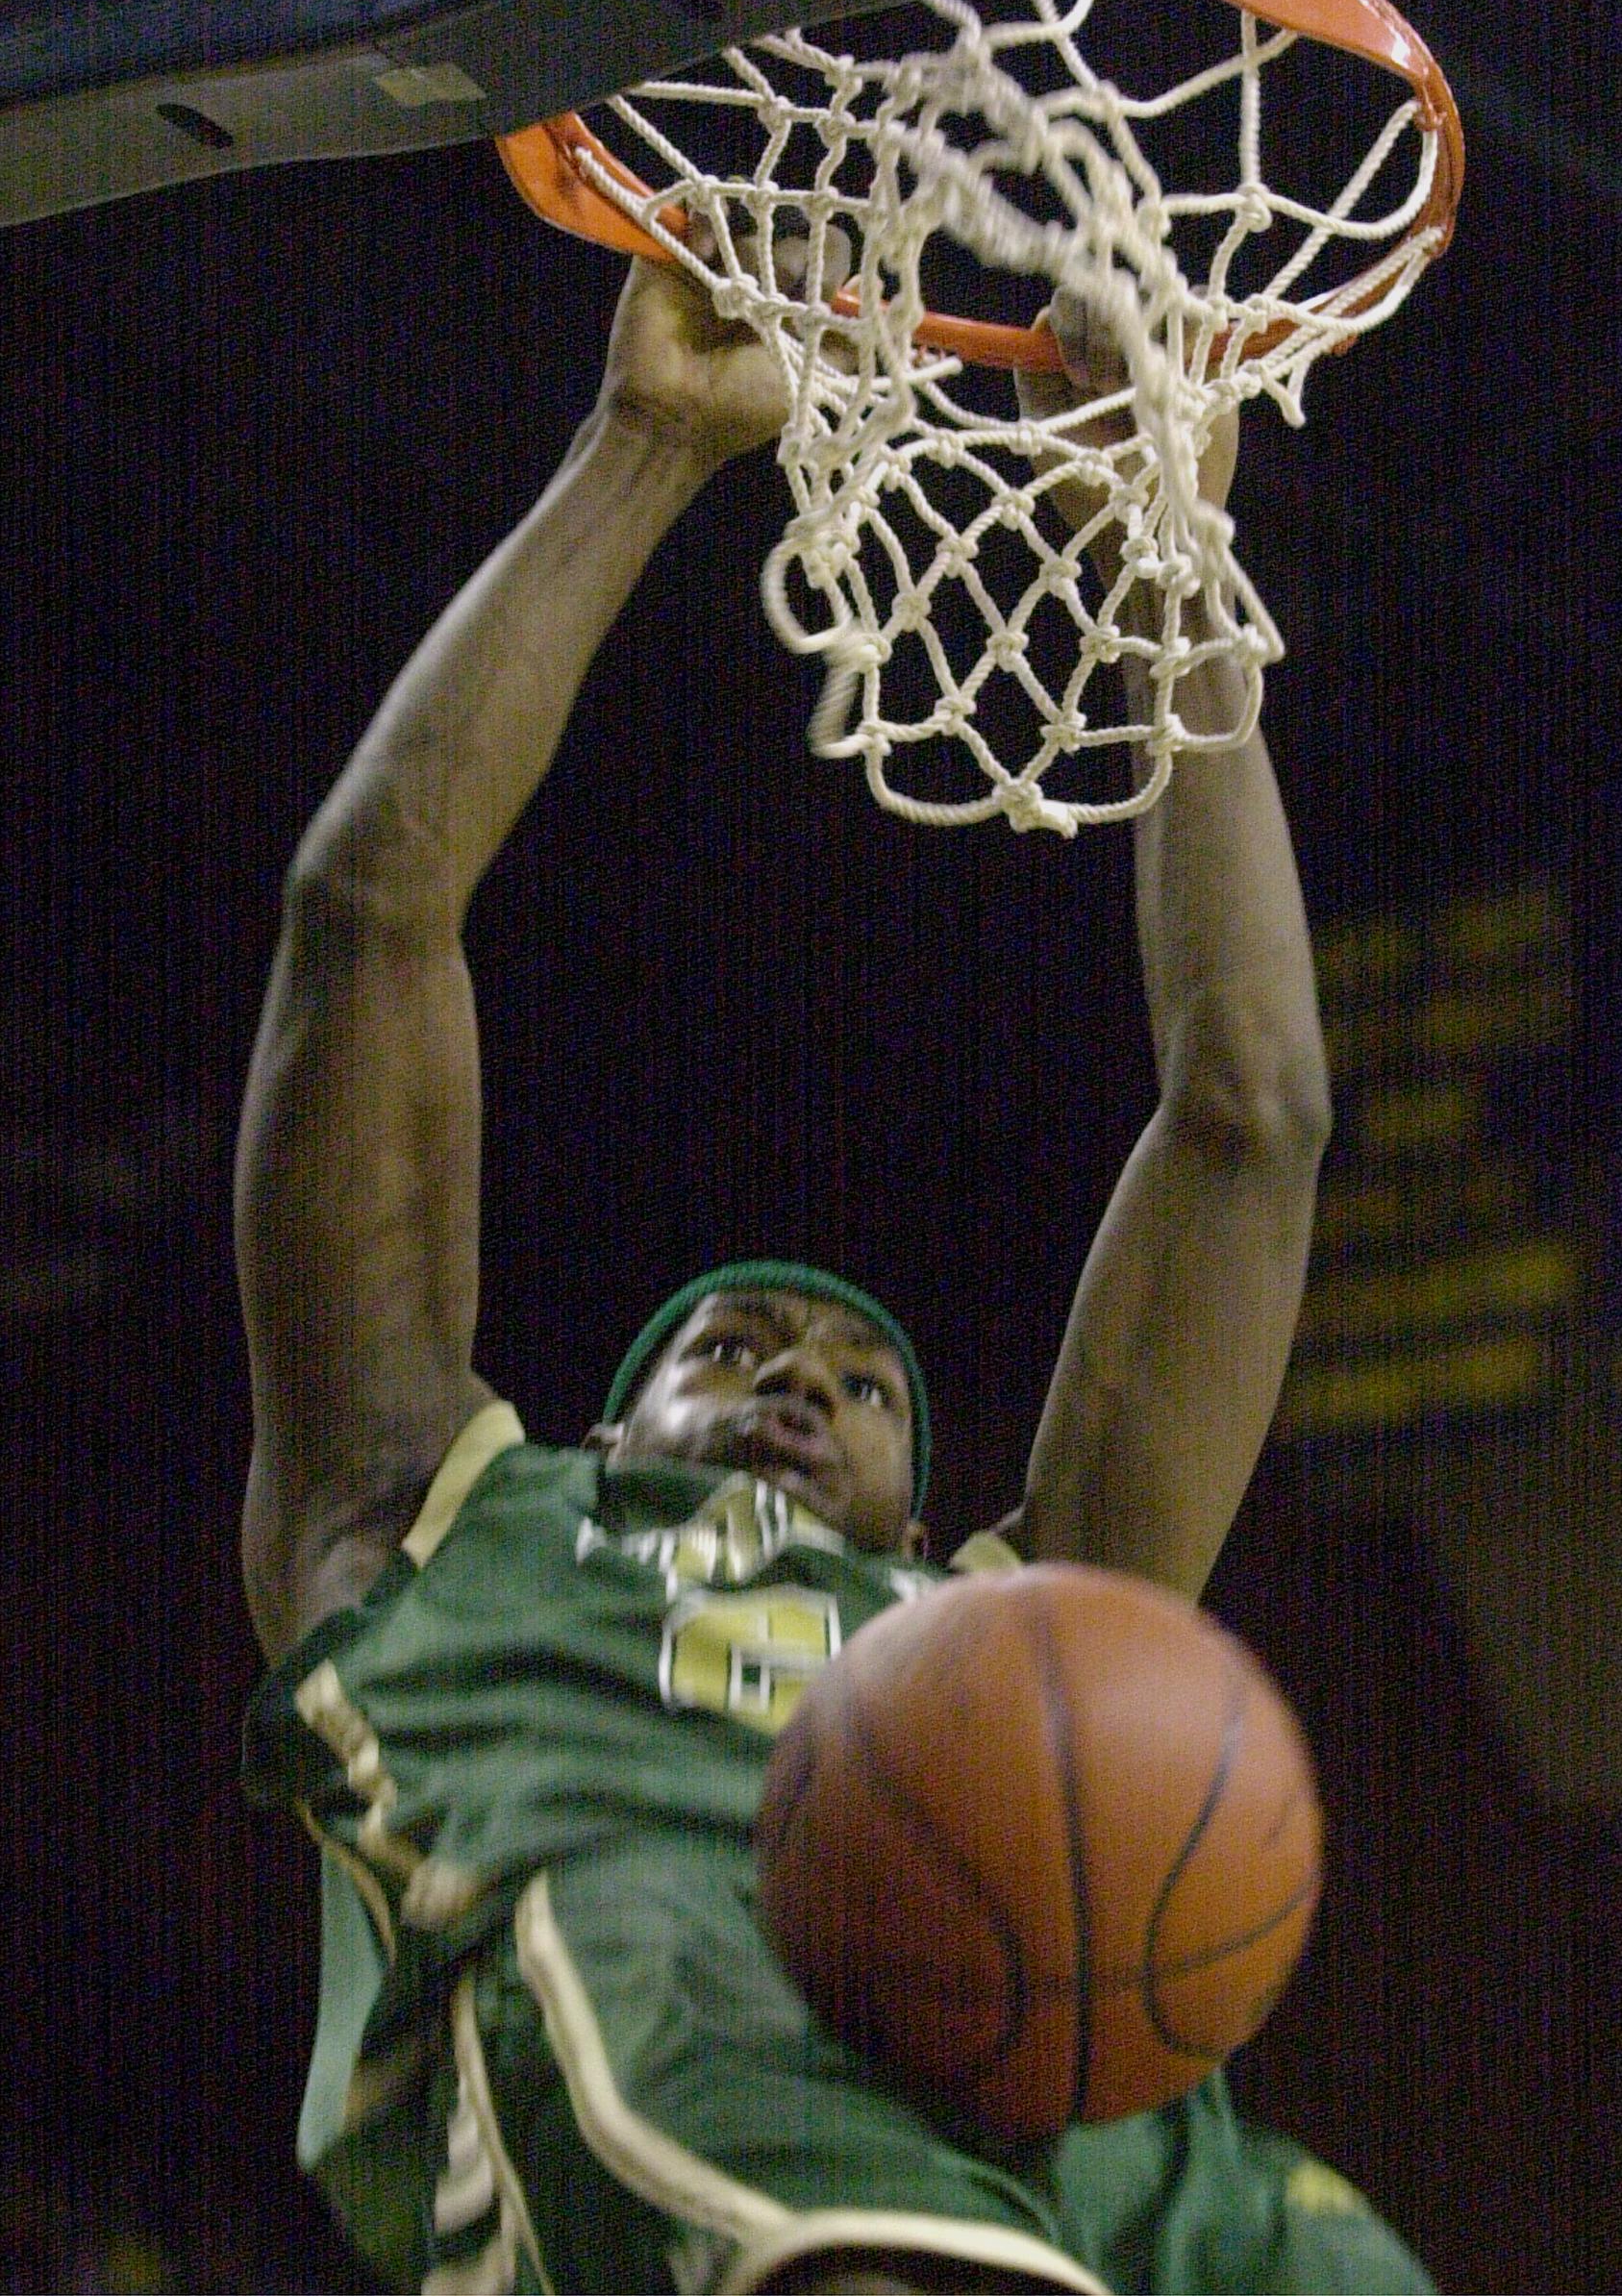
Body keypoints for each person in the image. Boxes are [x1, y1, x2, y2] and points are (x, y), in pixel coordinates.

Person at [237, 250, 1428, 2296]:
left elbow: (1254, 1119)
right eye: (733, 1345)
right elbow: (367, 919)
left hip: (1068, 2096)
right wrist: (642, 449)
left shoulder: (1007, 1624)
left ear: (916, 1489)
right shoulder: (441, 1520)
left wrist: (1172, 555)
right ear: (612, 1428)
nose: (803, 1375)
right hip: (675, 2019)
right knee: (646, 1948)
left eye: (862, 1381)